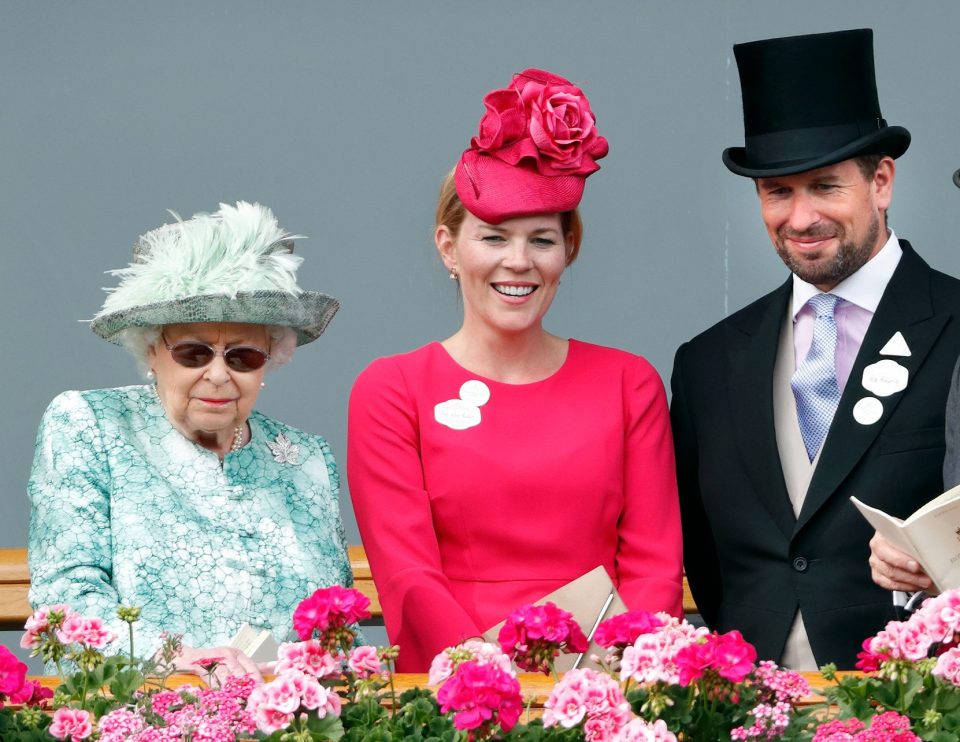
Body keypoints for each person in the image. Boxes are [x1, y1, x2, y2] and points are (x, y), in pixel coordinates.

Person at [348, 69, 683, 671]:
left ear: (569, 249)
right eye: (493, 237)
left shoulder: (629, 382)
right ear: (449, 248)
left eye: (541, 241)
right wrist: (488, 677)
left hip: (604, 684)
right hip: (455, 694)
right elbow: (409, 572)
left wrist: (610, 675)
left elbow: (654, 565)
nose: (518, 262)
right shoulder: (393, 389)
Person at [671, 28, 960, 671]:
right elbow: (709, 559)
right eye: (778, 191)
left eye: (825, 186)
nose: (800, 218)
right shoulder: (707, 364)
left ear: (881, 181)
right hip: (751, 710)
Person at [28, 201, 350, 679]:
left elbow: (333, 625)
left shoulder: (303, 458)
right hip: (143, 709)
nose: (218, 375)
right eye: (193, 352)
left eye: (243, 356)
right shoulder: (90, 424)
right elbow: (65, 598)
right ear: (152, 350)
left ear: (271, 360)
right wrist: (175, 661)